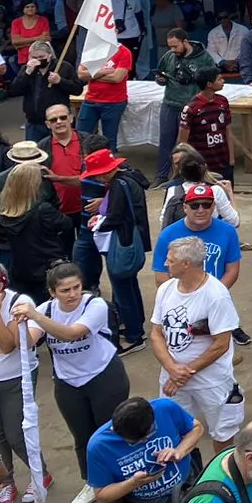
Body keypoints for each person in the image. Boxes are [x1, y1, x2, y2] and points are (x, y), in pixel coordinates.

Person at [16, 260, 129, 503]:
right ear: (52, 292)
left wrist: (35, 316)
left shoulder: (94, 305)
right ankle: (92, 483)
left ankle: (124, 480)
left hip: (104, 376)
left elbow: (72, 334)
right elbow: (25, 343)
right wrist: (7, 318)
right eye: (65, 290)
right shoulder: (46, 310)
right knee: (82, 437)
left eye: (76, 287)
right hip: (68, 382)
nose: (73, 294)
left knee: (112, 430)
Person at [151, 236, 242, 455]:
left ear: (186, 264)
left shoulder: (216, 296)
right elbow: (156, 332)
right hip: (173, 379)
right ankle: (186, 477)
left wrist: (185, 372)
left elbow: (221, 344)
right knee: (172, 431)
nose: (165, 263)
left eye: (170, 260)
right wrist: (172, 369)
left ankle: (220, 475)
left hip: (211, 382)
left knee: (222, 433)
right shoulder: (166, 289)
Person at [0, 261, 48, 503]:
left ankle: (40, 474)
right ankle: (7, 482)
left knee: (16, 433)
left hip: (14, 378)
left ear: (0, 287)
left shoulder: (18, 302)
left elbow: (9, 345)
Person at [88, 147, 152, 353]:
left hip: (122, 244)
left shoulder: (118, 185)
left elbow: (116, 217)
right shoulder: (129, 178)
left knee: (123, 288)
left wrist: (98, 223)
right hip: (132, 242)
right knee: (130, 286)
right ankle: (136, 326)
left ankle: (134, 335)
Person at [0, 162, 71, 303]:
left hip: (21, 269)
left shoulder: (5, 210)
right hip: (47, 268)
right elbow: (66, 224)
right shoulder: (42, 209)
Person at [154, 28, 218, 183]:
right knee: (166, 141)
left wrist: (195, 79)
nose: (173, 50)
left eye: (175, 46)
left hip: (192, 106)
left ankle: (188, 176)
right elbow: (159, 72)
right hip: (170, 103)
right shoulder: (169, 56)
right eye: (170, 46)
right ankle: (162, 176)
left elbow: (213, 79)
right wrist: (160, 79)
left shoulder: (203, 58)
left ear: (185, 41)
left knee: (190, 144)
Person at [76, 36, 133, 153]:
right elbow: (81, 75)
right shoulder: (92, 50)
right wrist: (104, 71)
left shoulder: (124, 52)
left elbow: (117, 78)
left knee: (109, 140)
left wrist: (92, 75)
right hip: (91, 100)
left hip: (114, 102)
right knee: (80, 135)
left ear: (115, 32)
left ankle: (109, 166)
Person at [177, 67, 236, 181]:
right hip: (202, 166)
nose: (223, 81)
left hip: (223, 163)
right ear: (209, 84)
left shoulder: (223, 102)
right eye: (219, 79)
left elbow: (228, 130)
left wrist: (231, 159)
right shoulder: (191, 108)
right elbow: (183, 142)